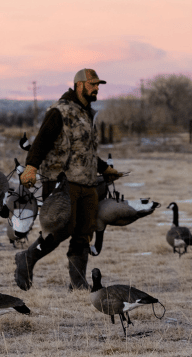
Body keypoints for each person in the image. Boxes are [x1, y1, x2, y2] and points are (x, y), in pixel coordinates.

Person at [16, 69, 121, 290]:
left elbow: (84, 151)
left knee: (85, 232)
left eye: (98, 85)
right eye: (93, 84)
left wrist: (105, 169)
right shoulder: (59, 111)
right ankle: (27, 259)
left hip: (88, 183)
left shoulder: (86, 113)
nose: (97, 88)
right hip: (61, 182)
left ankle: (78, 283)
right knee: (60, 230)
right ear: (80, 85)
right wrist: (31, 167)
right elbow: (41, 142)